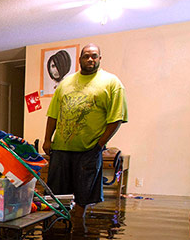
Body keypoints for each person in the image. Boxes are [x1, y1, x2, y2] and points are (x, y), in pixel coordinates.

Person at [42, 43, 128, 219]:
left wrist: (100, 144)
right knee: (56, 192)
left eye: (94, 56)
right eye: (86, 56)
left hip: (89, 149)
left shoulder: (112, 83)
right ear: (79, 59)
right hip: (61, 149)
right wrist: (47, 140)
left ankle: (79, 228)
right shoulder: (65, 83)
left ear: (99, 59)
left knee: (85, 192)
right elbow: (52, 115)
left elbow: (117, 118)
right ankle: (59, 224)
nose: (90, 59)